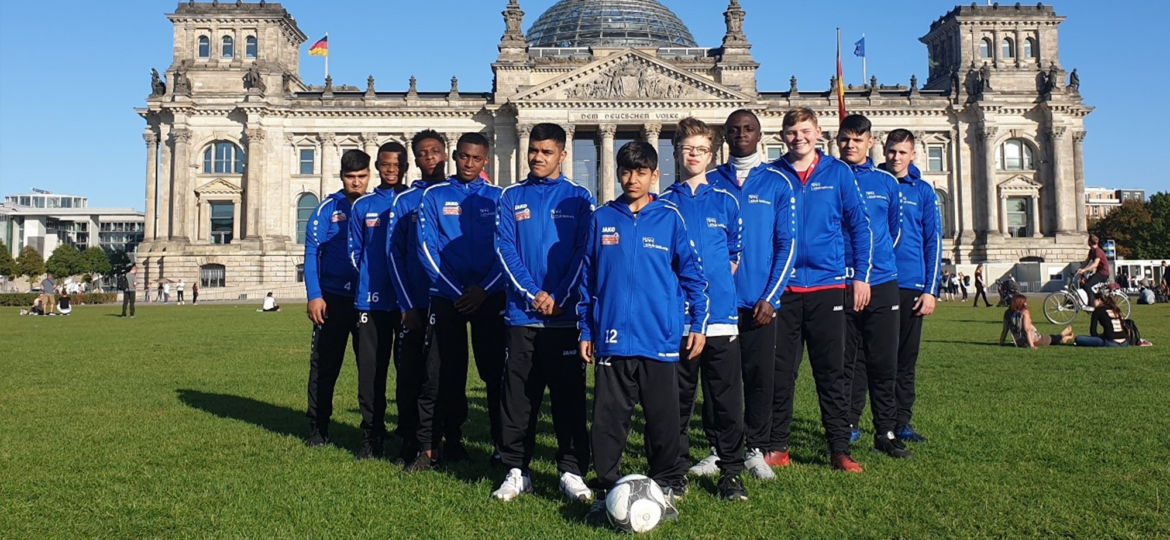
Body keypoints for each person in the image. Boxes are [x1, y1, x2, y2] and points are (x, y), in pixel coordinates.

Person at [580, 141, 708, 524]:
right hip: (613, 337)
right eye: (625, 171)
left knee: (663, 420)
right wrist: (587, 327)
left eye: (640, 172)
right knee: (608, 419)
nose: (631, 179)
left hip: (660, 338)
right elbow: (587, 279)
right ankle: (605, 488)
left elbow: (693, 276)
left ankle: (666, 485)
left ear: (655, 175)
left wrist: (696, 324)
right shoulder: (603, 218)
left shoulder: (669, 217)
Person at [491, 123, 595, 503]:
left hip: (565, 317)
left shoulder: (580, 198)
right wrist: (533, 293)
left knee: (569, 399)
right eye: (534, 150)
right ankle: (517, 469)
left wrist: (560, 294)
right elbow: (504, 249)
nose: (537, 157)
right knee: (518, 397)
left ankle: (571, 469)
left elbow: (585, 254)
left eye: (546, 152)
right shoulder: (511, 195)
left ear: (563, 155)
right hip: (523, 314)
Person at [768, 107, 873, 473]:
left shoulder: (838, 172)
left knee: (832, 373)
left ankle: (839, 449)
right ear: (782, 136)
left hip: (829, 285)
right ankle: (777, 445)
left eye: (805, 130)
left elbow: (859, 226)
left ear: (819, 133)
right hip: (785, 288)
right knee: (782, 372)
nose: (799, 137)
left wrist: (861, 275)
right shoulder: (771, 174)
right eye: (792, 131)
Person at [701, 109, 796, 481]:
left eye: (748, 129)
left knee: (760, 377)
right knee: (718, 380)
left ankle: (755, 448)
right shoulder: (709, 182)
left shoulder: (778, 181)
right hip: (718, 302)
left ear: (760, 135)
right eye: (734, 129)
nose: (741, 134)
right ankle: (717, 449)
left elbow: (787, 243)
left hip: (760, 300)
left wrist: (772, 297)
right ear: (723, 136)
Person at [660, 117, 749, 500]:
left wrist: (712, 294)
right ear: (677, 154)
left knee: (725, 400)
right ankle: (674, 472)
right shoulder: (664, 203)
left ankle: (731, 470)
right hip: (678, 320)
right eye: (687, 149)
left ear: (712, 155)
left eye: (700, 150)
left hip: (721, 318)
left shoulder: (726, 200)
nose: (693, 155)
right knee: (677, 402)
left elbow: (733, 256)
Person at [410, 132, 506, 472]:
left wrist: (483, 290)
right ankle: (430, 447)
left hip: (489, 297)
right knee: (438, 375)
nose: (469, 163)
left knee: (496, 375)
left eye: (476, 158)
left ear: (486, 161)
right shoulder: (435, 196)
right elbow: (426, 248)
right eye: (464, 157)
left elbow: (506, 249)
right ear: (455, 156)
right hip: (447, 297)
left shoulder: (499, 197)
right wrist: (456, 291)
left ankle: (502, 447)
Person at [835, 114, 912, 460]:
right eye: (844, 139)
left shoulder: (886, 182)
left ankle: (886, 429)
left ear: (870, 141)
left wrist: (874, 265)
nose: (850, 144)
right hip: (839, 281)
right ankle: (847, 424)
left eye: (857, 138)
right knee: (844, 362)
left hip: (881, 280)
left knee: (883, 360)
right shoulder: (829, 177)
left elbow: (892, 230)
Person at [346, 141, 410, 460]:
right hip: (370, 303)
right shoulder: (363, 206)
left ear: (405, 167)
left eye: (396, 164)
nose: (390, 169)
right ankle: (372, 435)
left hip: (407, 304)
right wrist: (372, 277)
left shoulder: (415, 201)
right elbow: (354, 251)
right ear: (377, 168)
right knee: (371, 374)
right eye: (385, 164)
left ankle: (408, 436)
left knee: (409, 373)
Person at [388, 130, 448, 466]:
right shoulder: (405, 200)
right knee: (411, 376)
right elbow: (393, 256)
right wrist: (406, 305)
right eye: (423, 153)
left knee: (444, 376)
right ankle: (412, 440)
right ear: (415, 159)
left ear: (445, 154)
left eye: (435, 151)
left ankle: (446, 440)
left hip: (448, 301)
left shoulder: (459, 194)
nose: (430, 158)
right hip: (415, 303)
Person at [304, 149, 370, 448]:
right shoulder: (327, 207)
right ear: (342, 177)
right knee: (325, 365)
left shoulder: (376, 206)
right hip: (332, 298)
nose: (356, 182)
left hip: (368, 299)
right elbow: (311, 252)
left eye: (361, 176)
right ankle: (318, 428)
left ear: (370, 176)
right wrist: (315, 294)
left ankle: (371, 429)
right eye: (350, 177)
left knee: (369, 368)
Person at [882, 129, 941, 443]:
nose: (896, 157)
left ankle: (901, 421)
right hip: (876, 281)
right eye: (892, 151)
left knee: (905, 358)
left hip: (911, 284)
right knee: (866, 358)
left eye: (902, 152)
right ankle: (852, 422)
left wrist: (931, 288)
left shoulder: (923, 191)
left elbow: (933, 240)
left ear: (913, 154)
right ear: (884, 149)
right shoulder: (872, 182)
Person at [999, 295, 1072, 347]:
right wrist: (1032, 346)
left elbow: (1005, 330)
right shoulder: (1024, 312)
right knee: (1052, 338)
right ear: (1020, 303)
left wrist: (1001, 343)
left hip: (1019, 342)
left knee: (1052, 338)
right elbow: (1027, 330)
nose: (1026, 304)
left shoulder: (1007, 313)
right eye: (1024, 302)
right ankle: (1063, 335)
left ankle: (1064, 337)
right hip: (1034, 340)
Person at [1074, 234, 1111, 303]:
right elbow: (1087, 261)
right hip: (1099, 272)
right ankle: (1094, 299)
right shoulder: (1092, 251)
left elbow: (1095, 264)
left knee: (1087, 285)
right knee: (1084, 284)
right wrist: (1080, 268)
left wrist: (1084, 270)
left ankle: (1092, 304)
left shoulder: (1098, 251)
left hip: (1103, 273)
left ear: (1089, 242)